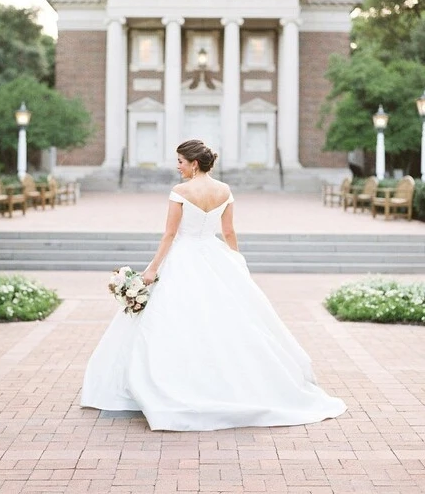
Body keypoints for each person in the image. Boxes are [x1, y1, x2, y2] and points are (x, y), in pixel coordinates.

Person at [81, 139, 347, 431]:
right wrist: (236, 261)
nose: (177, 166)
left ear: (194, 164)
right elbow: (229, 231)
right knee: (225, 320)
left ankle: (180, 382)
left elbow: (169, 235)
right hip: (215, 255)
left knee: (176, 321)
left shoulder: (180, 192)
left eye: (181, 161)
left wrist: (152, 268)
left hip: (183, 257)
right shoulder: (224, 191)